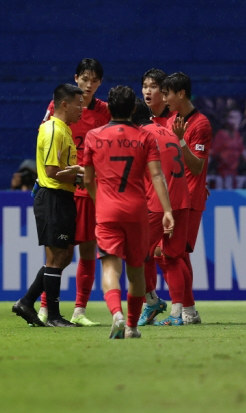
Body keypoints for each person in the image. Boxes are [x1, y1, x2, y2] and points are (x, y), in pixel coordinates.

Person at [82, 85, 174, 339]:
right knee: (136, 270)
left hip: (108, 211)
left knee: (110, 268)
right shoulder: (145, 137)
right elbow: (156, 175)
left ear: (109, 108)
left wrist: (99, 200)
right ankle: (132, 327)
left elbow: (88, 179)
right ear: (134, 109)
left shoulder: (93, 136)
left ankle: (117, 315)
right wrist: (167, 210)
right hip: (137, 210)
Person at [39, 58, 110, 326]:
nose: (89, 85)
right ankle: (45, 306)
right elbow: (45, 137)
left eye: (94, 80)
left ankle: (80, 310)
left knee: (89, 250)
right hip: (64, 187)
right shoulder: (59, 108)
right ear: (76, 78)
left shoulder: (105, 111)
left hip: (90, 190)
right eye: (85, 79)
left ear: (100, 83)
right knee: (59, 252)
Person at [11, 84, 84, 328]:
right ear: (64, 104)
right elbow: (53, 172)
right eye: (78, 104)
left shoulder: (63, 129)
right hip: (53, 196)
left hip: (61, 197)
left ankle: (26, 301)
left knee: (63, 256)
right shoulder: (54, 129)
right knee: (56, 258)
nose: (81, 109)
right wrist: (81, 176)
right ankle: (53, 316)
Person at [132, 99, 193, 327]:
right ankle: (177, 313)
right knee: (172, 257)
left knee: (139, 254)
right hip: (181, 199)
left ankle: (151, 301)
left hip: (158, 202)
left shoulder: (141, 136)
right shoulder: (166, 131)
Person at [164, 72, 213, 324]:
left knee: (176, 254)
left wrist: (182, 140)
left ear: (181, 93)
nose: (165, 98)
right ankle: (187, 311)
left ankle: (184, 310)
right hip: (173, 195)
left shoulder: (201, 124)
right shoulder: (172, 119)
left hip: (190, 198)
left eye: (167, 94)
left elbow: (195, 167)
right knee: (177, 254)